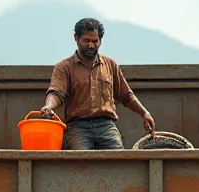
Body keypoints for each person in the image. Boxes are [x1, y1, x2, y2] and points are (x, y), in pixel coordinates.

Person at [42, 18, 156, 150]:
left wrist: (145, 113)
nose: (91, 45)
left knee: (120, 160)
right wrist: (48, 106)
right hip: (78, 127)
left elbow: (126, 96)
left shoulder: (110, 65)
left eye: (95, 41)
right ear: (76, 38)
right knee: (81, 161)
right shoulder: (64, 67)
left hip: (106, 125)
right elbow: (56, 92)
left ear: (100, 41)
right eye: (86, 40)